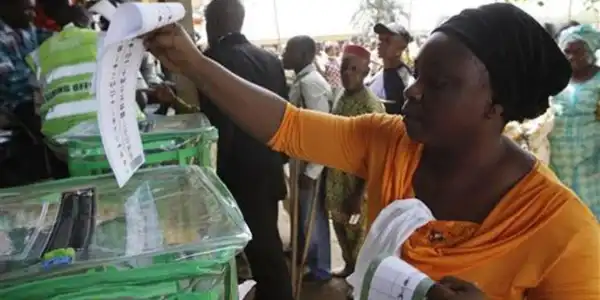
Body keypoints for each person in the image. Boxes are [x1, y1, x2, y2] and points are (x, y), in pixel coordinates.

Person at [144, 3, 600, 299]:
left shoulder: (563, 231)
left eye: (438, 84)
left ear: (495, 104)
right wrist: (193, 63)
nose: (414, 92)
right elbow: (289, 126)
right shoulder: (389, 142)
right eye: (417, 74)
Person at [194, 0, 292, 299]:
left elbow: (220, 127)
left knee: (251, 252)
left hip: (236, 174)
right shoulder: (269, 60)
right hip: (268, 166)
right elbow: (284, 115)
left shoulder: (212, 61)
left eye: (208, 22)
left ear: (216, 23)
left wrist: (212, 177)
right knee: (268, 247)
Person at [324, 44, 384, 279]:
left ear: (365, 72)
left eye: (354, 69)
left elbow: (373, 154)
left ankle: (360, 280)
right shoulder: (340, 94)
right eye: (344, 68)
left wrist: (359, 194)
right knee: (340, 226)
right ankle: (349, 267)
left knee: (357, 231)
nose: (348, 73)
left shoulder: (370, 105)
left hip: (356, 186)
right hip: (337, 179)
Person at [282, 35, 332, 283]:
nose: (283, 54)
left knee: (314, 218)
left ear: (302, 55)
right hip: (300, 160)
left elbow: (323, 131)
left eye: (288, 50)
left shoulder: (311, 84)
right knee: (303, 216)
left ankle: (321, 268)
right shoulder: (301, 81)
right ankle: (311, 262)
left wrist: (312, 171)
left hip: (310, 164)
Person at [550, 24, 600, 217]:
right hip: (558, 158)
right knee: (564, 212)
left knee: (590, 211)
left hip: (591, 158)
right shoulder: (556, 80)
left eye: (578, 52)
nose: (571, 57)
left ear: (591, 50)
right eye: (567, 52)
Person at [367, 22, 413, 115]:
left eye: (387, 40)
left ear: (400, 48)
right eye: (380, 39)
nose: (380, 43)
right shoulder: (373, 80)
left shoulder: (408, 83)